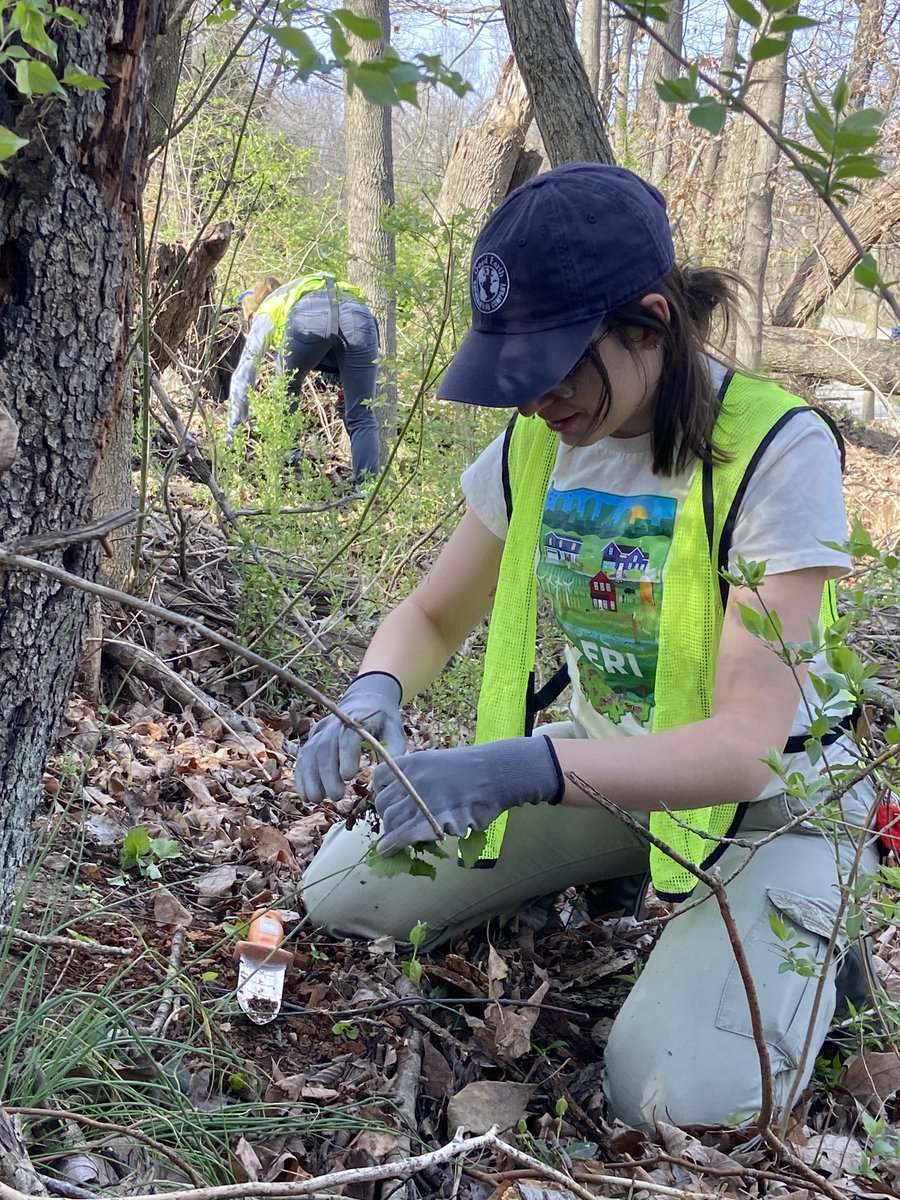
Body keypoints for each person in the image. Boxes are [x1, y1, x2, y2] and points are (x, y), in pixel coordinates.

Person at [294, 164, 877, 1129]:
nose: (536, 402)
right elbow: (435, 614)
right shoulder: (537, 444)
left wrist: (524, 765)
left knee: (665, 1098)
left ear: (647, 323)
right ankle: (610, 873)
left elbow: (745, 743)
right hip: (607, 779)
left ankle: (825, 934)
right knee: (343, 893)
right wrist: (375, 687)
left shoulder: (774, 450)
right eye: (514, 375)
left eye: (556, 366)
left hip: (771, 807)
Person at [227, 273, 381, 481]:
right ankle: (369, 492)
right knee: (362, 415)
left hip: (308, 317)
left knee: (285, 392)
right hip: (359, 317)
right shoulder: (302, 289)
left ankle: (289, 465)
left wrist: (233, 435)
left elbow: (245, 373)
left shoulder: (269, 306)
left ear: (253, 308)